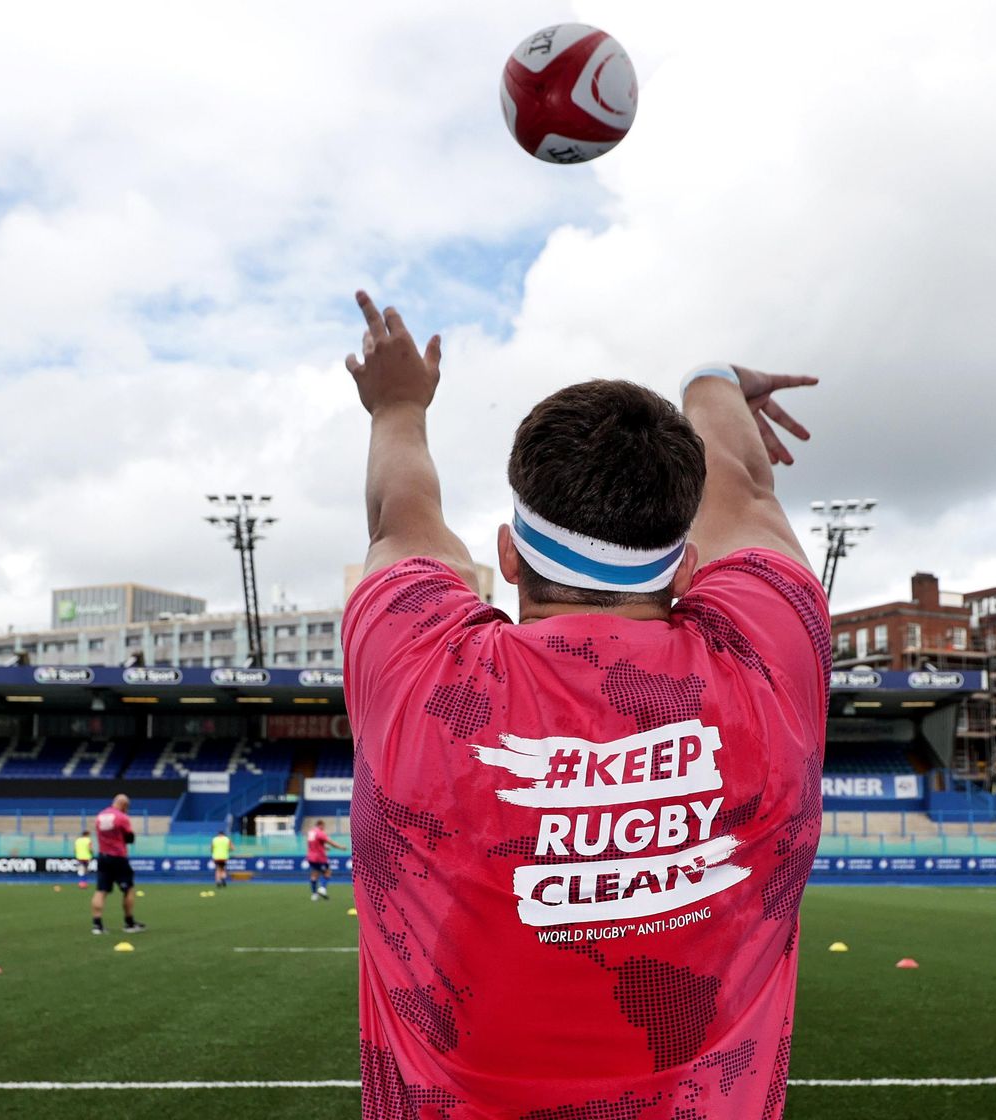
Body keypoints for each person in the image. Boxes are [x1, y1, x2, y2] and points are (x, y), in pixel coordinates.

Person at [341, 292, 826, 1115]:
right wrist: (711, 383)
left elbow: (402, 513)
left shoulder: (417, 661)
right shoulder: (768, 659)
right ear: (685, 569)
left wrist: (396, 404)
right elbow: (743, 489)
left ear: (508, 555)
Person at [91, 795, 146, 935]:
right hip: (118, 857)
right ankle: (129, 923)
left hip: (103, 856)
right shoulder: (121, 817)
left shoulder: (100, 815)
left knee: (101, 890)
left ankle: (97, 925)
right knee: (128, 889)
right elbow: (130, 837)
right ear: (124, 805)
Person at [304, 818, 346, 900]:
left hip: (310, 857)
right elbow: (330, 842)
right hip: (319, 858)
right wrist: (341, 847)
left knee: (314, 874)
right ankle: (322, 888)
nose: (323, 828)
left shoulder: (311, 832)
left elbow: (313, 843)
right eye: (323, 826)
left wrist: (324, 847)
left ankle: (314, 895)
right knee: (328, 872)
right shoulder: (320, 833)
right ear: (321, 825)